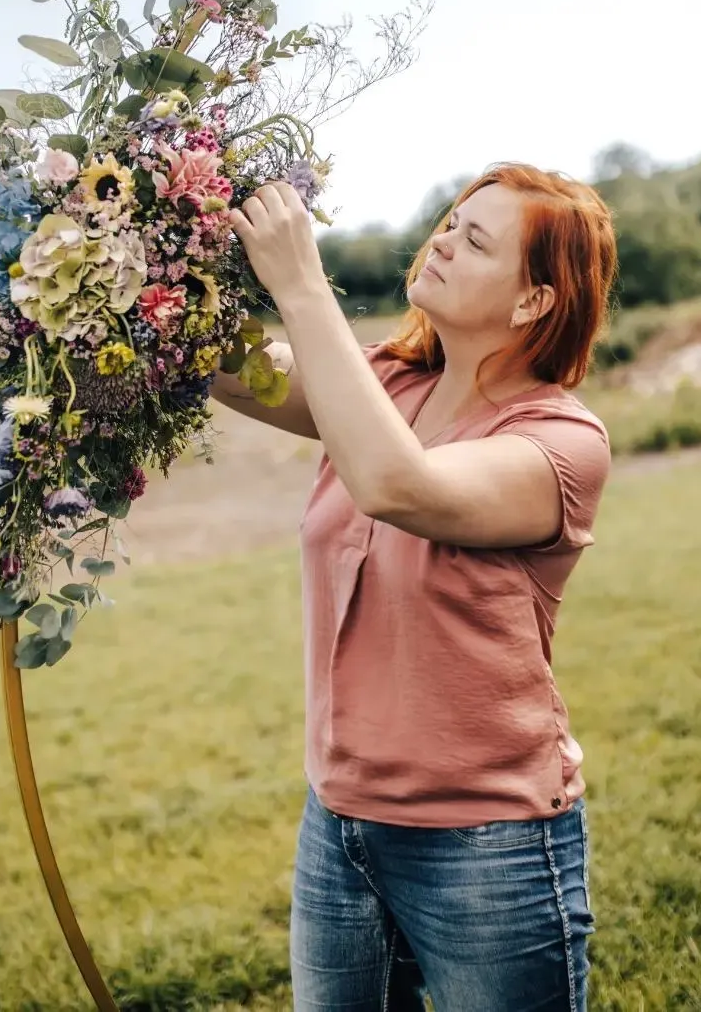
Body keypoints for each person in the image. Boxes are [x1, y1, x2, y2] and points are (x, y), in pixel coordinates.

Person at [212, 162, 618, 1011]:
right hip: (338, 826)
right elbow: (209, 364)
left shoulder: (561, 442)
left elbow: (399, 485)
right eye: (449, 222)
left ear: (532, 302)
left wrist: (299, 280)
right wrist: (122, 262)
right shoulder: (385, 384)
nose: (442, 239)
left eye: (475, 241)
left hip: (487, 846)